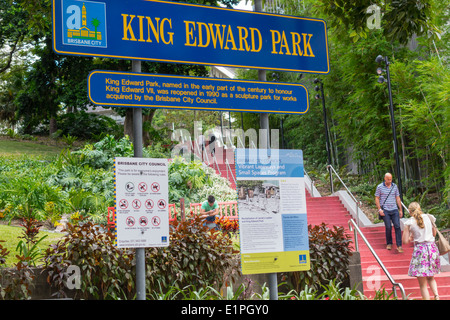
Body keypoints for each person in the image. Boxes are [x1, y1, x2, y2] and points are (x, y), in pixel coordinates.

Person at [402, 202, 440, 300]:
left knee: (422, 284)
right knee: (431, 277)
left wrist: (411, 235)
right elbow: (434, 233)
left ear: (409, 211)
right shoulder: (429, 217)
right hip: (432, 249)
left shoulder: (409, 222)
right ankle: (436, 295)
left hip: (420, 252)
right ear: (420, 208)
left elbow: (405, 241)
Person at [375, 172, 404, 252]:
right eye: (388, 179)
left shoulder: (394, 186)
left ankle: (399, 245)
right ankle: (389, 243)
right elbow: (377, 198)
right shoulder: (380, 187)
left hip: (394, 209)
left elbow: (397, 198)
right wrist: (379, 209)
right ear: (385, 179)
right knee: (388, 227)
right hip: (385, 210)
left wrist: (400, 209)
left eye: (391, 179)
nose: (390, 181)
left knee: (397, 226)